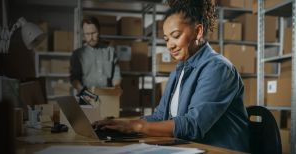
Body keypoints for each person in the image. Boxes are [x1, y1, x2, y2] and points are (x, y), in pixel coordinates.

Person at [93, 0, 250, 152]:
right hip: (190, 148)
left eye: (176, 35)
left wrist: (137, 127)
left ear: (198, 31)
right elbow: (161, 116)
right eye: (167, 39)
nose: (170, 45)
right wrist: (122, 124)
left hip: (220, 151)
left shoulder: (218, 68)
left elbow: (193, 125)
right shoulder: (179, 69)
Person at [70, 16, 122, 95]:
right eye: (87, 34)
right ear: (83, 34)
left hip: (107, 95)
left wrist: (117, 87)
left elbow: (116, 74)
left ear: (99, 31)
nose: (91, 37)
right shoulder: (78, 54)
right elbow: (74, 78)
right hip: (85, 96)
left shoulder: (110, 51)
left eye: (94, 33)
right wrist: (83, 91)